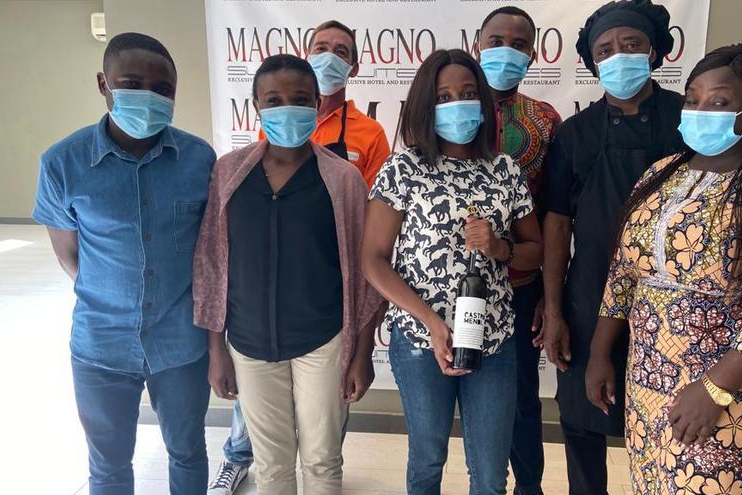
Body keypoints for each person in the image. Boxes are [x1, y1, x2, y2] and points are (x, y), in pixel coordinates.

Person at [540, 1, 742, 493]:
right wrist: (597, 351)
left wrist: (716, 387)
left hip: (724, 387)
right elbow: (622, 270)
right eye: (694, 100)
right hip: (645, 374)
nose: (700, 112)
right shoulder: (662, 174)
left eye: (718, 102)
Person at [212, 20, 392, 495]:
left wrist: (363, 349)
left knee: (322, 460)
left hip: (322, 340)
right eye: (274, 100)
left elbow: (367, 270)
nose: (287, 108)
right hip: (248, 343)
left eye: (300, 100)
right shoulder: (228, 174)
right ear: (256, 107)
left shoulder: (343, 179)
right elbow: (211, 264)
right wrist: (216, 349)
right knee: (270, 465)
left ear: (317, 106)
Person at [32, 32, 214, 494]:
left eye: (163, 89)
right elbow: (69, 254)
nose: (149, 97)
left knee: (188, 453)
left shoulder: (199, 160)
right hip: (101, 348)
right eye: (132, 83)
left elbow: (209, 252)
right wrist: (117, 295)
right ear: (103, 83)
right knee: (109, 467)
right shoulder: (62, 163)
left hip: (180, 345)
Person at [362, 48, 543, 494]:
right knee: (427, 458)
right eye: (443, 96)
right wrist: (430, 321)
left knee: (489, 471)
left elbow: (534, 251)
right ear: (426, 104)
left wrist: (501, 247)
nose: (456, 103)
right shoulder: (403, 168)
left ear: (483, 102)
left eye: (466, 93)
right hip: (423, 342)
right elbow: (373, 260)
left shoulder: (505, 170)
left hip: (494, 339)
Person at [477, 7, 561, 495]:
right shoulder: (437, 114)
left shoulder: (545, 120)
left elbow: (554, 214)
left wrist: (550, 298)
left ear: (532, 52)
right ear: (477, 43)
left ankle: (529, 487)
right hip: (454, 285)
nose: (506, 50)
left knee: (523, 399)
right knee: (462, 394)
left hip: (521, 286)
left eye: (518, 42)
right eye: (496, 40)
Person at [256, 20, 391, 187]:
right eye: (321, 49)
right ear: (308, 59)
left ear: (353, 69)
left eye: (340, 52)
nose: (329, 58)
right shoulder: (278, 122)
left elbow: (375, 203)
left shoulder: (372, 134)